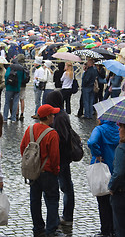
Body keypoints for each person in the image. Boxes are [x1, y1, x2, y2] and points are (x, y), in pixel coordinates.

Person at [20, 104, 61, 237]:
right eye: (52, 114)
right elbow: (54, 157)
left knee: (35, 200)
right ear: (48, 117)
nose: (54, 116)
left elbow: (22, 148)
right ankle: (51, 230)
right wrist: (56, 170)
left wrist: (30, 163)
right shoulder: (52, 133)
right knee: (52, 200)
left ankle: (38, 229)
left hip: (33, 172)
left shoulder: (30, 129)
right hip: (48, 172)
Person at [45, 91, 74, 226]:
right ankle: (63, 217)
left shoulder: (60, 117)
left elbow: (62, 138)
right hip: (60, 157)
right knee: (63, 186)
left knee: (65, 187)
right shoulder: (59, 115)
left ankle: (67, 217)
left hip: (61, 158)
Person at [87, 120, 119, 237]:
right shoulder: (119, 129)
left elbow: (92, 142)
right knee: (115, 201)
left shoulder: (99, 129)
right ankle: (115, 229)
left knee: (103, 201)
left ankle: (106, 230)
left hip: (103, 168)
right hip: (116, 168)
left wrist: (97, 154)